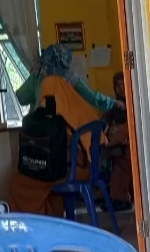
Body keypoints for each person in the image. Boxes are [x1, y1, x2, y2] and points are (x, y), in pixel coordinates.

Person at [9, 44, 118, 216]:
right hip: (75, 161)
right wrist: (114, 103)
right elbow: (94, 98)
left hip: (50, 154)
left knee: (23, 180)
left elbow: (22, 97)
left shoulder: (38, 77)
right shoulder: (70, 80)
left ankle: (35, 224)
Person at [102, 72, 133, 211]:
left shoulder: (133, 102)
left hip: (127, 143)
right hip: (118, 142)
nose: (121, 89)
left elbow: (130, 126)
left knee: (122, 163)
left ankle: (121, 199)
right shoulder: (115, 104)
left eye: (123, 85)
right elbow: (106, 118)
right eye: (117, 86)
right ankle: (116, 197)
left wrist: (113, 141)